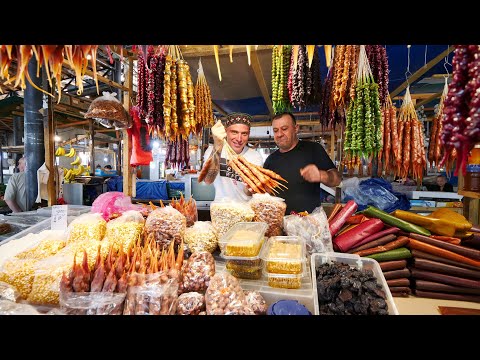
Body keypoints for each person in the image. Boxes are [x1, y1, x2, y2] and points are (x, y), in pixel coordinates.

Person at [263, 112, 342, 214]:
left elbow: (336, 180)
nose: (279, 134)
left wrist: (321, 175)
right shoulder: (270, 160)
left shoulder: (313, 149)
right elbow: (265, 191)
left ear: (296, 128)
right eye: (275, 130)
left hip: (309, 223)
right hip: (279, 223)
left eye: (284, 129)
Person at [203, 112, 263, 202]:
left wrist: (250, 187)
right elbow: (208, 180)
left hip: (246, 211)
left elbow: (249, 193)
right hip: (220, 211)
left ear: (249, 134)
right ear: (226, 131)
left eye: (244, 134)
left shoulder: (254, 156)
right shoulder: (212, 151)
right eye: (234, 132)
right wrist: (217, 147)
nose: (239, 139)